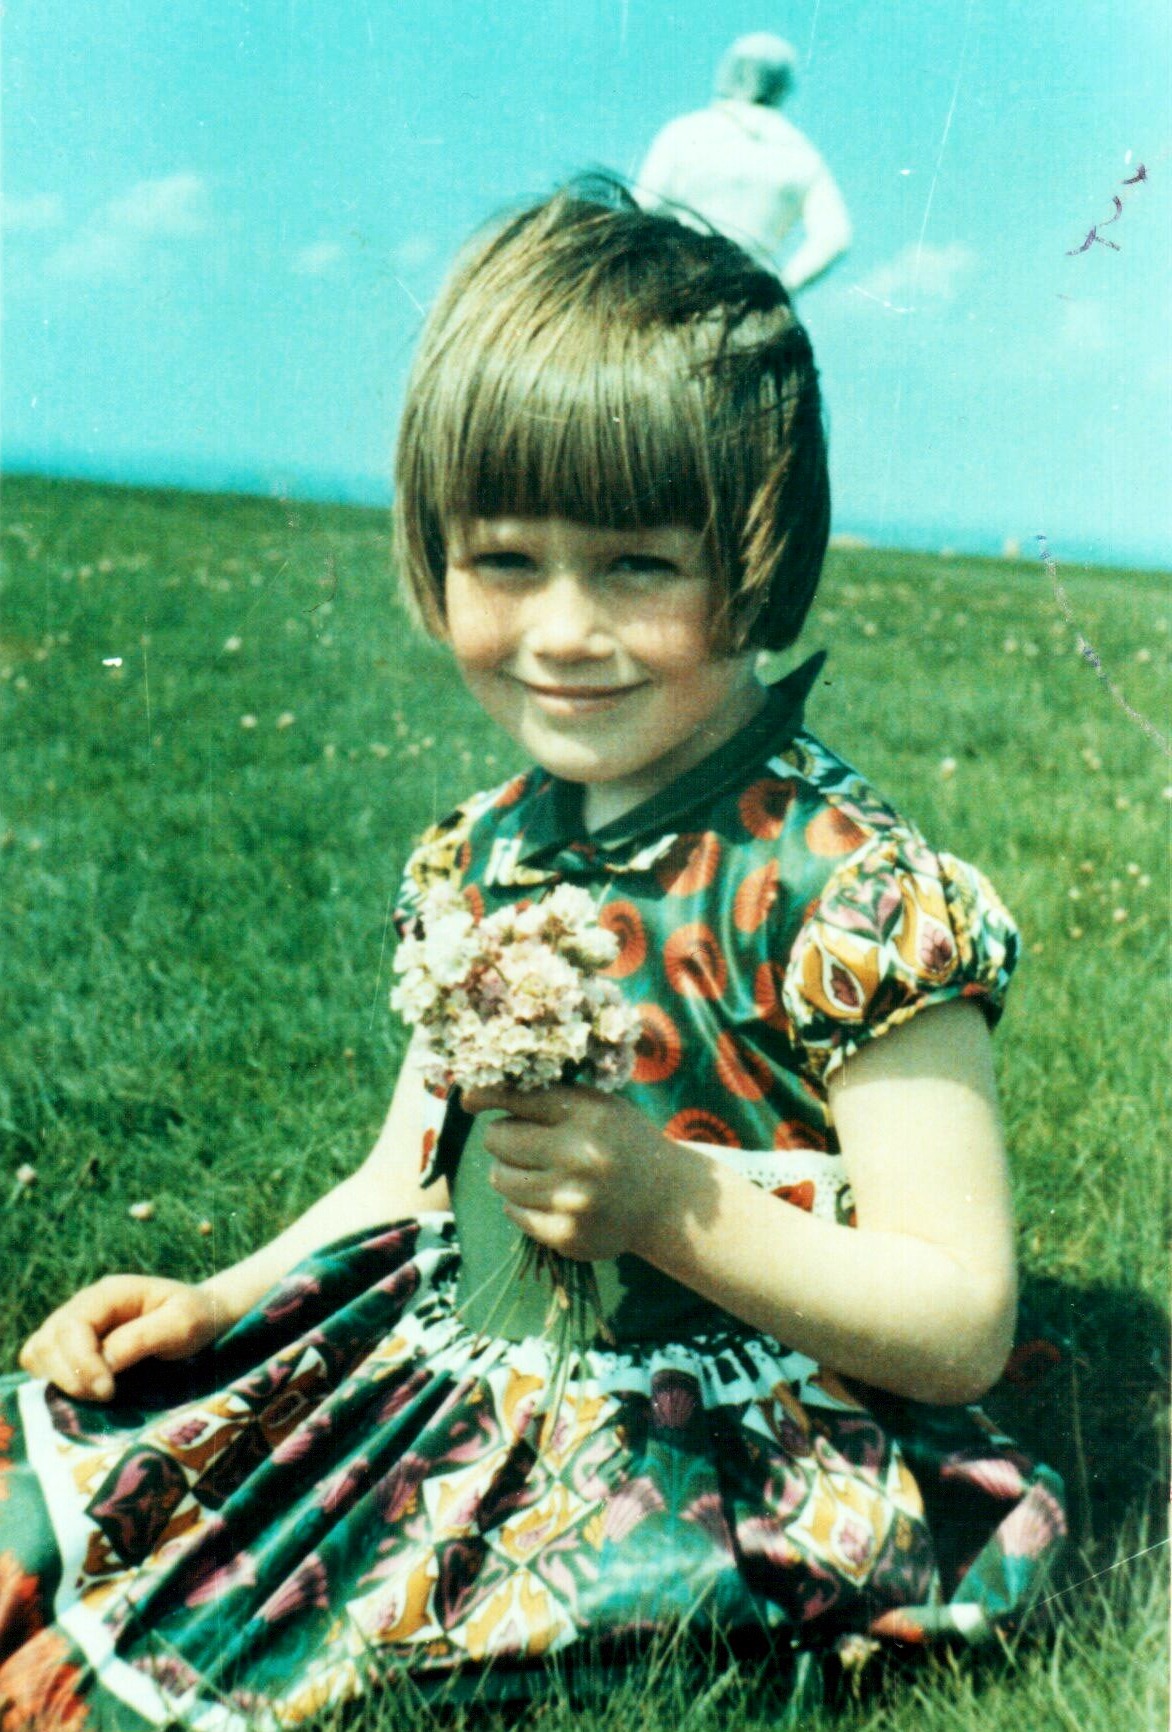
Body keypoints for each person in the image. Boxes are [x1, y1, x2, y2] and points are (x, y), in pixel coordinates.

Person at [0, 184, 1064, 1728]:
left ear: (757, 559)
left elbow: (961, 1321)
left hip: (737, 1439)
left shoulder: (844, 890)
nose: (563, 630)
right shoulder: (479, 853)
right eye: (504, 559)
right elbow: (407, 1180)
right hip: (477, 1355)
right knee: (95, 1505)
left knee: (321, 1651)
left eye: (636, 564)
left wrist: (669, 1204)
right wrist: (221, 1303)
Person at [635, 31, 852, 293]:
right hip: (754, 294)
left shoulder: (683, 132)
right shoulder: (804, 154)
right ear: (784, 86)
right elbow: (835, 238)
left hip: (681, 285)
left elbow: (642, 209)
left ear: (730, 72)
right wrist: (782, 289)